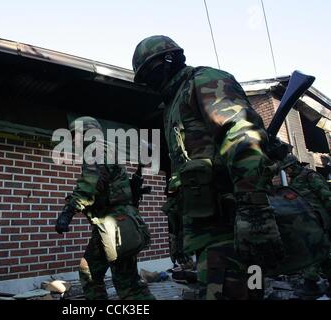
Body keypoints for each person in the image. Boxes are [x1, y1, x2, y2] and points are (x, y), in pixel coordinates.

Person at [132, 35, 284, 300]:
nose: (149, 81)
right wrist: (179, 233)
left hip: (232, 220)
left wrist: (253, 208)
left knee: (239, 288)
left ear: (170, 59)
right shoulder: (172, 104)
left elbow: (241, 136)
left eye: (150, 71)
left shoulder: (203, 81)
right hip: (206, 226)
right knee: (238, 288)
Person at [55, 116, 155, 300]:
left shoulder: (96, 149)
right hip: (108, 225)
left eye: (75, 135)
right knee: (89, 270)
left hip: (117, 226)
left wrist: (68, 212)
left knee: (127, 284)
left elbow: (90, 185)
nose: (73, 140)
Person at [279, 155, 331, 297]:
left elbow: (326, 196)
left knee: (320, 250)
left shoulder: (310, 176)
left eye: (287, 169)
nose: (287, 172)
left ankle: (310, 283)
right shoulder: (295, 181)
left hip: (321, 220)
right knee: (319, 251)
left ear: (293, 165)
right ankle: (312, 284)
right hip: (308, 223)